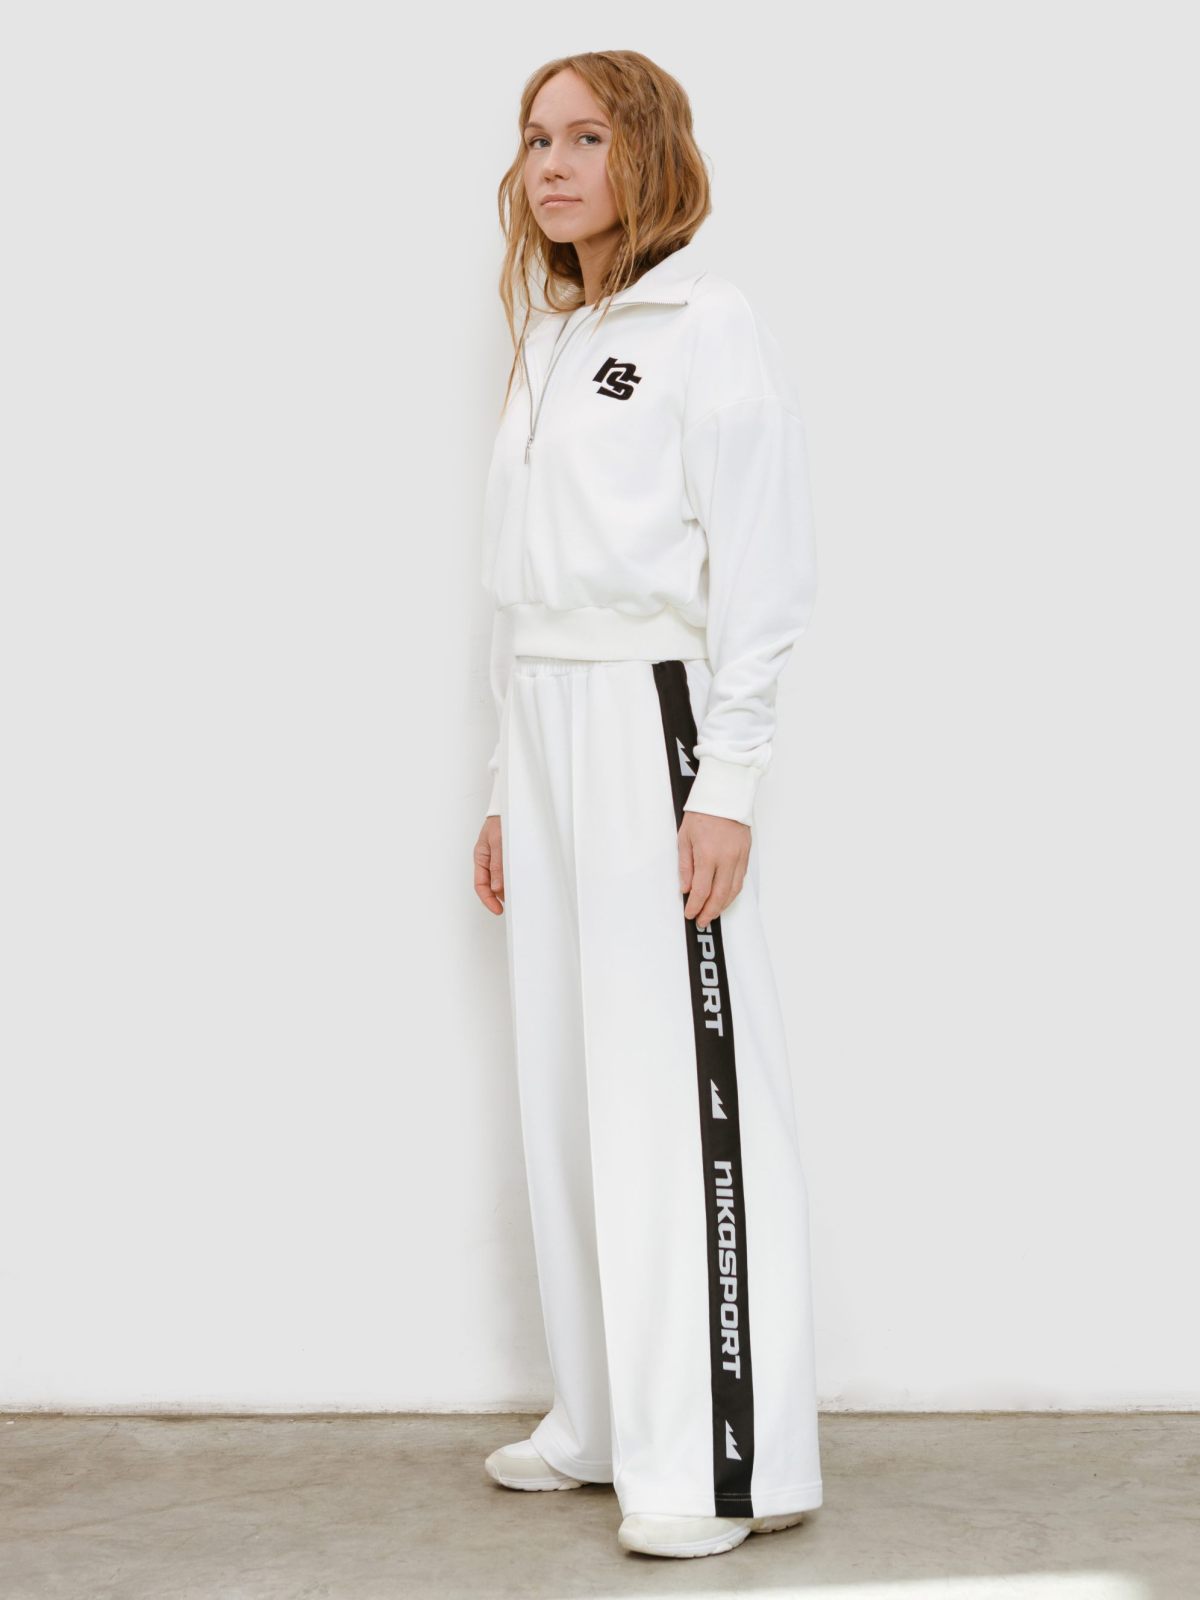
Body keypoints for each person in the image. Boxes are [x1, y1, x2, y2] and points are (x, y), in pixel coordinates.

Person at [471, 49, 823, 1562]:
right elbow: (515, 587)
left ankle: (718, 1464)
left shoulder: (706, 322)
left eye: (585, 138)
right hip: (545, 721)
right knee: (567, 1080)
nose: (551, 166)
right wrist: (504, 782)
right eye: (535, 139)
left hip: (648, 717)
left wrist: (724, 780)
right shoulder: (551, 335)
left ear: (648, 153)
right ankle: (605, 1418)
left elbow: (765, 566)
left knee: (677, 1089)